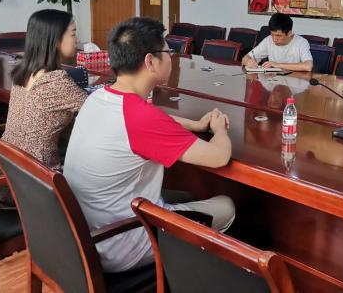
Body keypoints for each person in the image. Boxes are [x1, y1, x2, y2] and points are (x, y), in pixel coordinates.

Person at [64, 17, 235, 273]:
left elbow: (151, 119)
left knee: (184, 196)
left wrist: (195, 124)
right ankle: (192, 274)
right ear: (150, 61)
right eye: (168, 52)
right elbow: (219, 156)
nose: (170, 58)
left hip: (86, 236)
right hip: (125, 244)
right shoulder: (141, 118)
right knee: (226, 207)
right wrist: (219, 129)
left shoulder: (98, 97)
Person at [0, 9, 87, 209]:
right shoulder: (55, 81)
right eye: (73, 34)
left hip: (6, 171)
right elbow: (97, 112)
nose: (77, 40)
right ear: (55, 39)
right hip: (35, 181)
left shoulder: (23, 72)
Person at [242, 12, 313, 72]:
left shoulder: (301, 42)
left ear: (289, 33)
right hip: (273, 81)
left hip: (294, 81)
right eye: (272, 34)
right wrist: (248, 62)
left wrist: (278, 65)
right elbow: (245, 58)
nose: (274, 39)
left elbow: (308, 66)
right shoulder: (268, 40)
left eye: (278, 35)